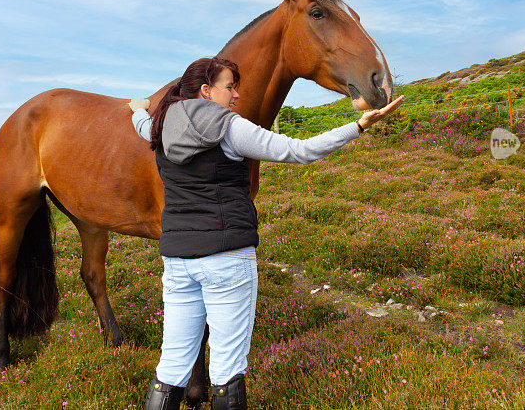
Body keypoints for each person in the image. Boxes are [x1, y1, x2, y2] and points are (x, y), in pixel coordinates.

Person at [128, 57, 403, 410]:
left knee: (172, 366)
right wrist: (359, 126)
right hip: (227, 259)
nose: (237, 95)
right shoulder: (229, 128)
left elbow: (140, 122)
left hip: (178, 262)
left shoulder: (157, 127)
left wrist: (137, 107)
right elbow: (299, 151)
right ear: (206, 91)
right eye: (230, 87)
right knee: (227, 368)